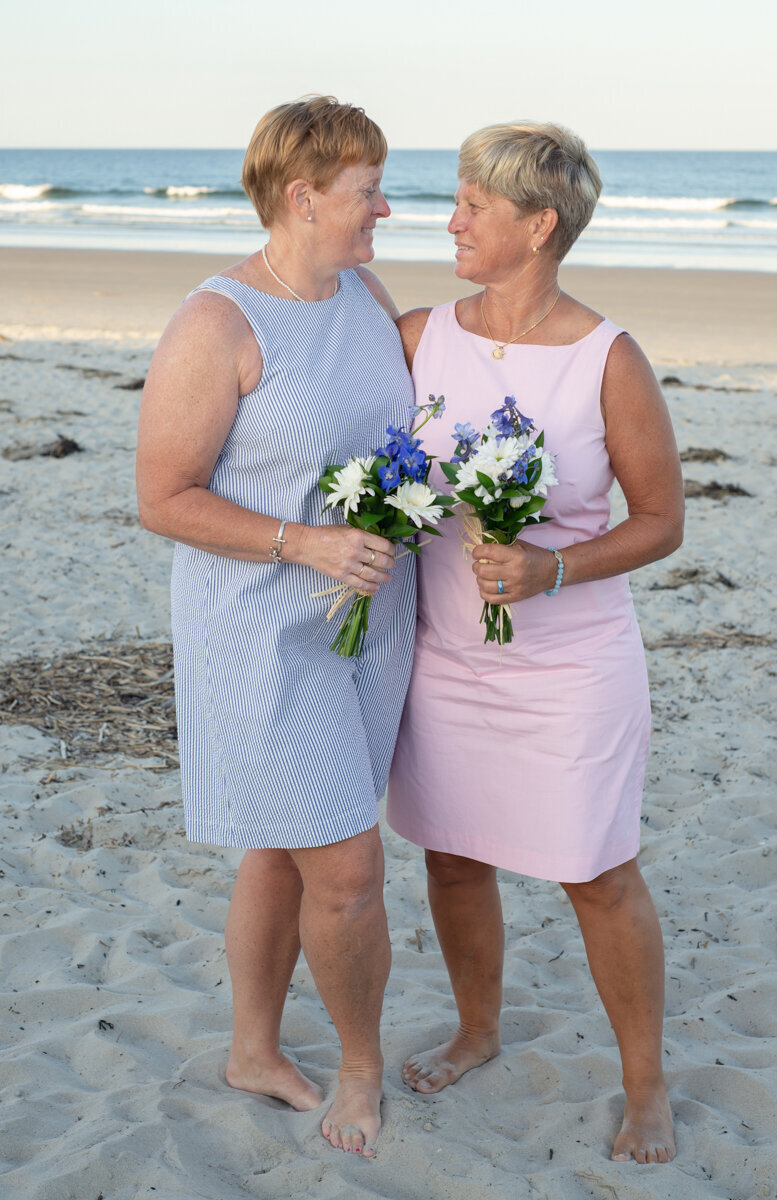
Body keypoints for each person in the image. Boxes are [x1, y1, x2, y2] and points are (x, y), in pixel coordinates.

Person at [387, 121, 684, 1165]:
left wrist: (552, 567)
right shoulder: (422, 332)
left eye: (474, 204)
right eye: (456, 199)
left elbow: (659, 521)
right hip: (443, 653)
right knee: (454, 858)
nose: (453, 219)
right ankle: (478, 1028)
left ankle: (646, 1088)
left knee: (597, 872)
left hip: (569, 665)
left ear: (539, 223)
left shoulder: (611, 359)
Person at [136, 96, 416, 1159]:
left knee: (281, 846)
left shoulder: (364, 293)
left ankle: (252, 1047)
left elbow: (394, 443)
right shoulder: (218, 324)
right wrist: (306, 546)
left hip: (372, 621)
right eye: (365, 192)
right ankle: (359, 1066)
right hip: (260, 629)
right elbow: (164, 496)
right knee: (345, 867)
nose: (384, 209)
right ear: (303, 198)